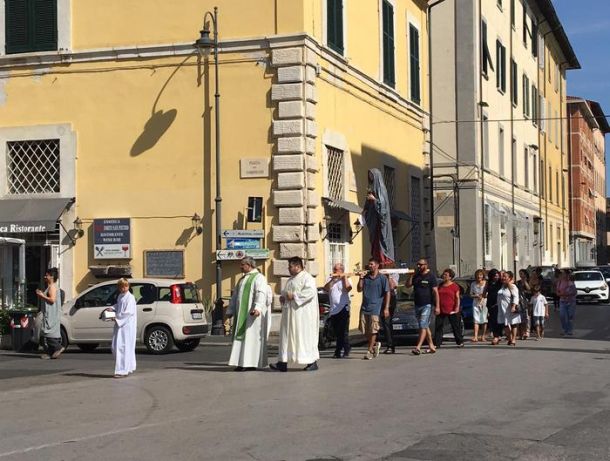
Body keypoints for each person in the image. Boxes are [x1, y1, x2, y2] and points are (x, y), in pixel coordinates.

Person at [271, 257, 320, 372]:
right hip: (289, 314)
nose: (288, 269)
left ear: (298, 266)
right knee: (286, 338)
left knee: (303, 337)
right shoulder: (291, 279)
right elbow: (286, 292)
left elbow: (310, 292)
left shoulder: (307, 278)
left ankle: (312, 362)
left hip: (302, 316)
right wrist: (284, 297)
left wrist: (294, 296)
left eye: (290, 266)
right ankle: (282, 362)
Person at [226, 257, 271, 371]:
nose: (240, 266)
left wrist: (257, 308)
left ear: (249, 265)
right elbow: (235, 296)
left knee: (251, 339)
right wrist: (230, 311)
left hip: (252, 315)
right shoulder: (242, 279)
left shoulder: (259, 277)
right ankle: (241, 362)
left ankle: (250, 363)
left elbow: (261, 294)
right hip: (241, 314)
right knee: (242, 339)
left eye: (242, 264)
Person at [357, 257, 390, 360]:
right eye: (369, 264)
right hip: (364, 306)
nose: (370, 266)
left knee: (373, 329)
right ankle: (375, 344)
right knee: (364, 330)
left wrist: (386, 308)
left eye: (372, 264)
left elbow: (387, 292)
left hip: (375, 307)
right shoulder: (366, 277)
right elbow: (359, 289)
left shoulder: (382, 278)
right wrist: (361, 278)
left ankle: (369, 350)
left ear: (377, 266)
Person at [363, 168, 395, 266]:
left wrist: (374, 199)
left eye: (372, 176)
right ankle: (376, 258)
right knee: (375, 240)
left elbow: (383, 206)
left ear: (376, 177)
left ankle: (383, 258)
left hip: (380, 221)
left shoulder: (382, 190)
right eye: (369, 176)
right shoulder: (371, 189)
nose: (370, 178)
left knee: (382, 239)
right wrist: (366, 207)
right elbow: (368, 205)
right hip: (373, 220)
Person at [406, 258, 438, 355]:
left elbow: (435, 292)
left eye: (421, 264)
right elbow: (408, 285)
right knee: (425, 326)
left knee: (422, 325)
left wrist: (437, 306)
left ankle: (418, 347)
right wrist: (411, 276)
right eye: (418, 264)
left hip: (427, 304)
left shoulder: (431, 276)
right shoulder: (416, 275)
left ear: (426, 265)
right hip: (417, 304)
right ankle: (431, 345)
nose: (419, 266)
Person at [323, 262, 352, 359]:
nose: (334, 271)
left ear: (341, 270)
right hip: (333, 309)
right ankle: (347, 347)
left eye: (336, 269)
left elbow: (348, 288)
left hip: (343, 307)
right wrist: (333, 279)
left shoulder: (347, 278)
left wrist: (344, 277)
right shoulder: (330, 279)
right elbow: (326, 288)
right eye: (334, 269)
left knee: (342, 330)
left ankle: (338, 351)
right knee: (336, 331)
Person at [35, 268, 64, 360]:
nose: (45, 277)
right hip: (51, 313)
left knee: (48, 333)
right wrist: (42, 294)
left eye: (47, 275)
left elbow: (52, 300)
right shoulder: (52, 286)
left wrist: (41, 296)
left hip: (51, 314)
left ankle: (58, 347)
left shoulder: (52, 287)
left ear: (52, 277)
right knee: (47, 334)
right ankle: (51, 353)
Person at [111, 278, 137, 378]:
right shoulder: (120, 296)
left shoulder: (130, 298)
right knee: (116, 346)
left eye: (125, 286)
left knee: (123, 347)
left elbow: (128, 312)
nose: (123, 289)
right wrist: (112, 308)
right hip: (120, 326)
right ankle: (127, 367)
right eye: (121, 287)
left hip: (126, 326)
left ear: (128, 286)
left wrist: (117, 318)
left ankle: (123, 370)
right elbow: (119, 305)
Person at [434, 268, 464, 348]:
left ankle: (459, 341)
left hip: (452, 309)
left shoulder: (454, 286)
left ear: (450, 277)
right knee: (438, 326)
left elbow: (457, 298)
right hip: (441, 309)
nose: (444, 276)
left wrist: (457, 308)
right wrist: (437, 307)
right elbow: (436, 296)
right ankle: (437, 343)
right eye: (444, 274)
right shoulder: (440, 285)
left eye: (446, 275)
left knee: (455, 326)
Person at [495, 271, 520, 346]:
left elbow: (516, 297)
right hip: (502, 309)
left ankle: (513, 340)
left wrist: (514, 306)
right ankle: (509, 338)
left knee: (513, 323)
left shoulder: (512, 286)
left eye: (505, 276)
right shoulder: (502, 286)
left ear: (510, 278)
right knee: (504, 324)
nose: (503, 278)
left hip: (510, 308)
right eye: (503, 276)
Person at [556, 269, 577, 336]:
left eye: (564, 273)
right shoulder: (559, 282)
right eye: (562, 274)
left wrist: (566, 293)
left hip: (571, 301)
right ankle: (564, 329)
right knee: (562, 316)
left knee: (570, 316)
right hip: (562, 301)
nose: (562, 275)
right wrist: (560, 294)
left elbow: (574, 292)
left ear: (567, 274)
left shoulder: (571, 282)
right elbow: (557, 291)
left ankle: (569, 330)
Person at [470, 269, 488, 342]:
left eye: (480, 275)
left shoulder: (486, 283)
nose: (479, 276)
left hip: (484, 302)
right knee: (476, 320)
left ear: (483, 275)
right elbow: (471, 294)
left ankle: (483, 336)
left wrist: (483, 296)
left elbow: (488, 293)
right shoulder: (473, 284)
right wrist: (476, 296)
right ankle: (475, 336)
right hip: (476, 303)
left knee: (484, 320)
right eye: (477, 275)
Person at [485, 269, 502, 342]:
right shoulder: (488, 283)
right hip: (490, 303)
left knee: (498, 319)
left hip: (498, 303)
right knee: (492, 319)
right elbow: (485, 292)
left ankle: (497, 335)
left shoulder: (500, 283)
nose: (496, 277)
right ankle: (496, 335)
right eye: (495, 276)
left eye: (498, 276)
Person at [516, 269, 532, 340]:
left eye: (522, 273)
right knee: (520, 318)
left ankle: (527, 332)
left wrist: (525, 281)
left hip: (527, 301)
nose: (520, 275)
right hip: (519, 301)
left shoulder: (528, 281)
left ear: (525, 274)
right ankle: (520, 333)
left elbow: (529, 289)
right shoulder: (518, 282)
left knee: (527, 317)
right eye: (519, 273)